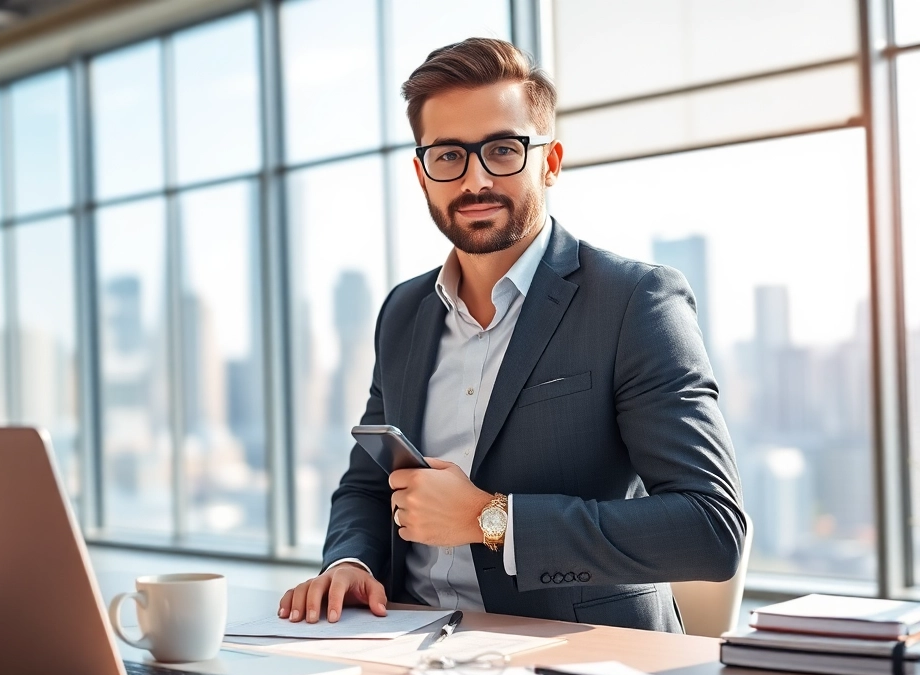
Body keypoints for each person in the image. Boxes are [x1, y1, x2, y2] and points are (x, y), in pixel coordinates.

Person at [278, 37, 746, 633]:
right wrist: (349, 561)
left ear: (549, 162)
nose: (475, 181)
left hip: (577, 660)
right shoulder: (403, 310)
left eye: (502, 149)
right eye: (448, 155)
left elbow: (708, 529)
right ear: (422, 174)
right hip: (400, 644)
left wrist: (490, 520)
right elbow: (369, 485)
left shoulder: (635, 302)